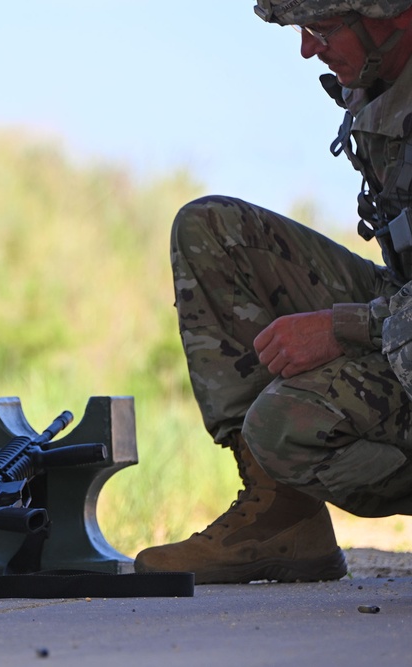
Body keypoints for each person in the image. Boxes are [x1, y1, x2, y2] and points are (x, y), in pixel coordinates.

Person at [135, 0, 412, 584]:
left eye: (322, 29)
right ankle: (282, 519)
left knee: (286, 422)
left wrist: (344, 327)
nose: (309, 49)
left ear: (393, 18)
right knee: (210, 230)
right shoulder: (382, 84)